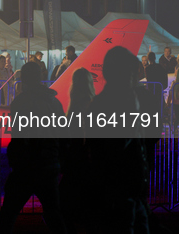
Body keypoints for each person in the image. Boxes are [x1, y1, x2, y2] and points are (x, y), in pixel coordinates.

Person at [85, 47, 150, 233]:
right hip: (116, 193)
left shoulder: (119, 102)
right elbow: (115, 147)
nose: (134, 78)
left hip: (130, 192)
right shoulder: (108, 104)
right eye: (130, 73)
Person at [0, 61, 67, 233]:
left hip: (27, 166)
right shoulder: (54, 103)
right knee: (54, 214)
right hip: (49, 163)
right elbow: (63, 134)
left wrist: (16, 158)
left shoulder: (21, 102)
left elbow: (20, 136)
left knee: (8, 214)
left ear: (24, 79)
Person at [60, 67, 95, 234]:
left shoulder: (76, 103)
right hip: (83, 153)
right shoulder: (89, 102)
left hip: (75, 153)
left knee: (68, 193)